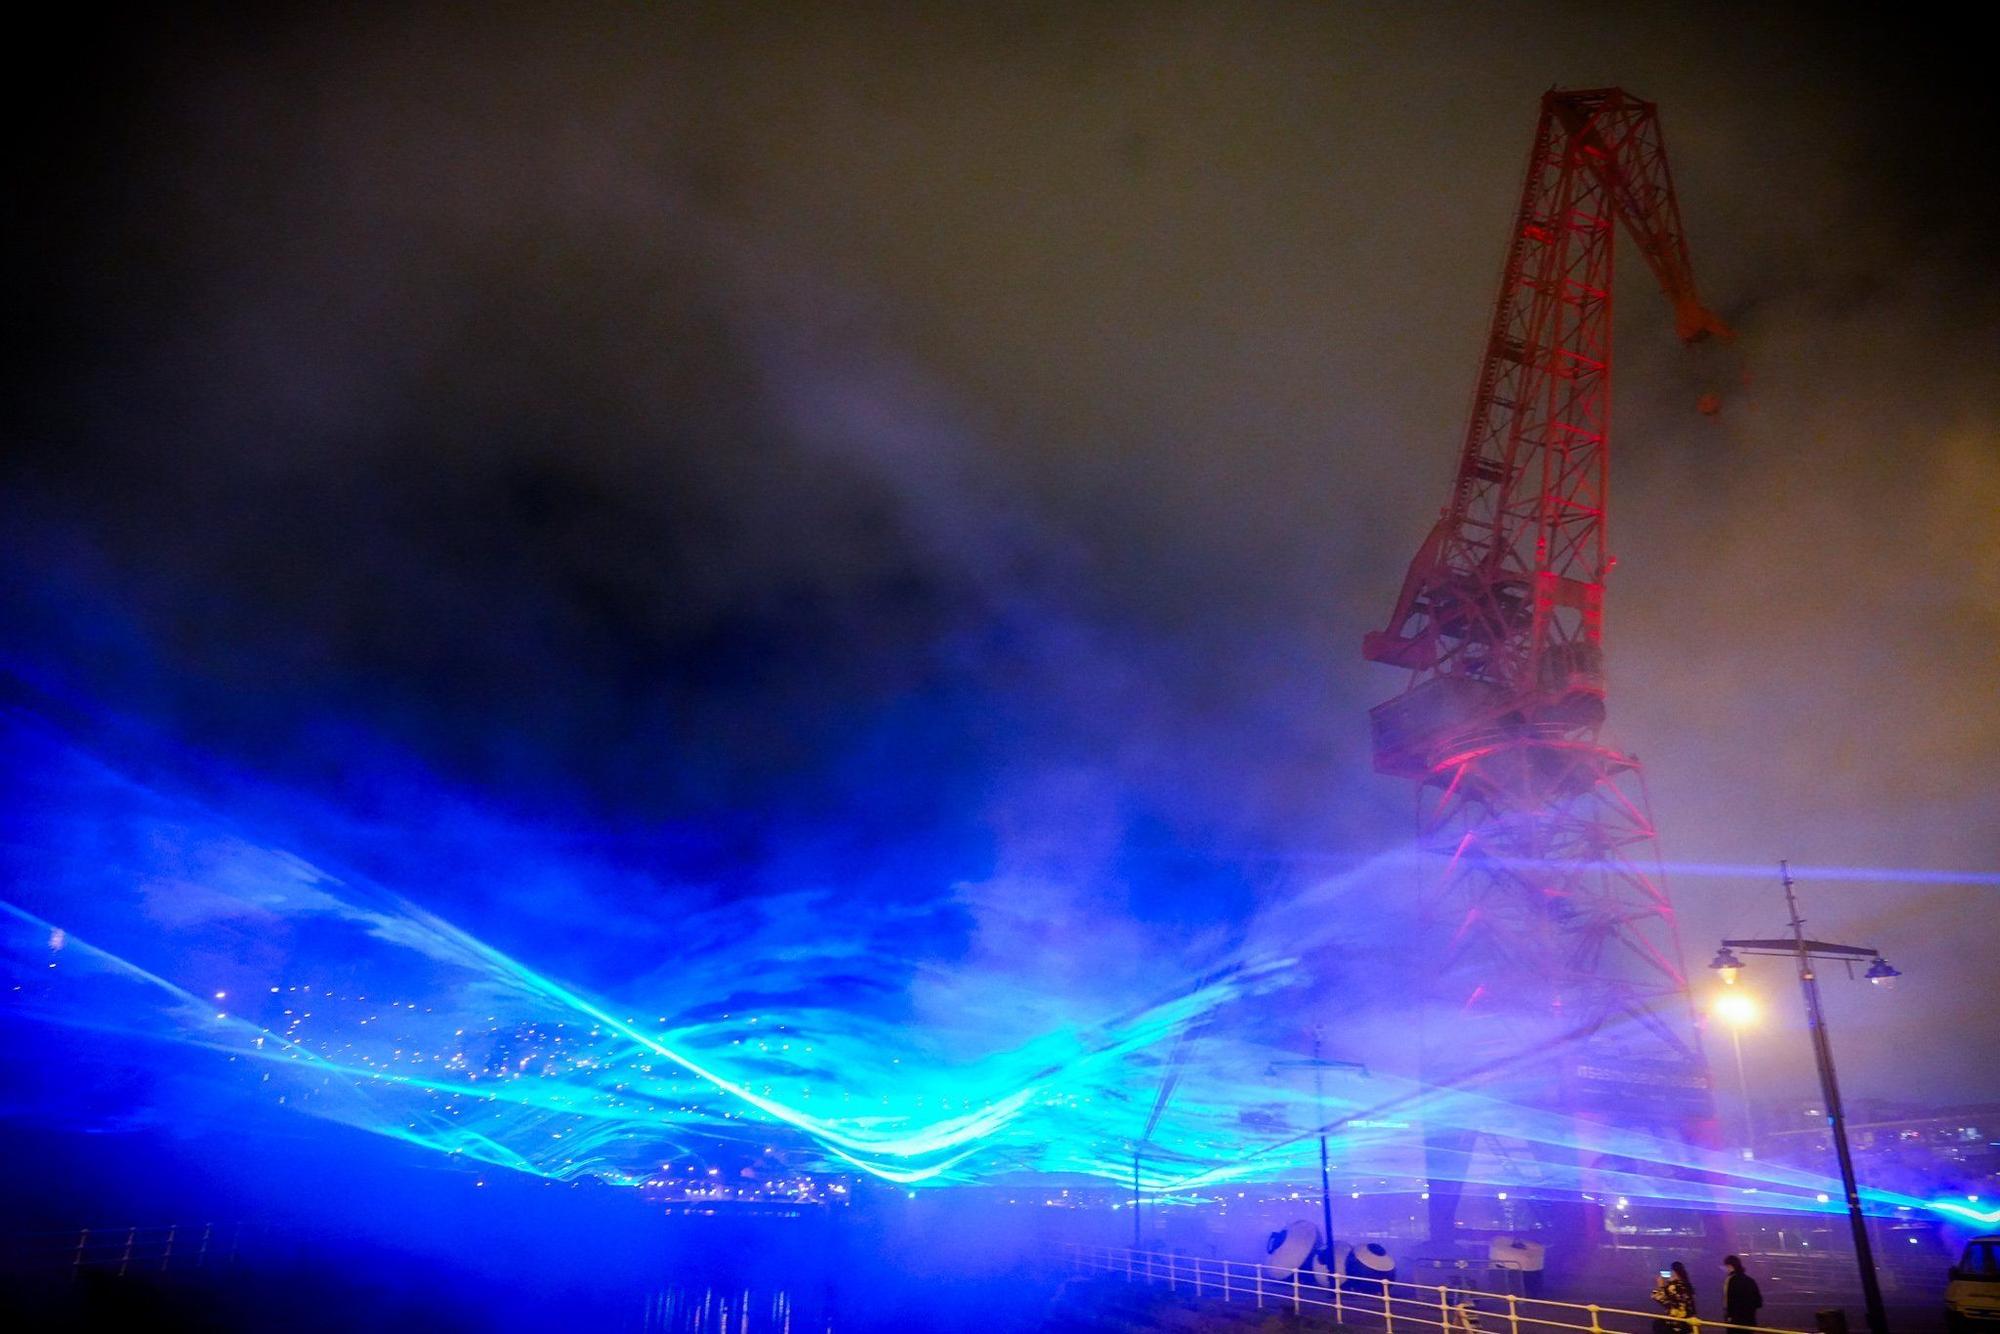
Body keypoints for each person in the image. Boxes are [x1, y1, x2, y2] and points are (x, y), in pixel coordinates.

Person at [1650, 1259, 1697, 1334]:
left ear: (1674, 1272)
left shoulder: (1673, 1286)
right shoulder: (1686, 1286)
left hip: (1676, 1323)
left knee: (1658, 1324)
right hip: (1688, 1323)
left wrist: (1660, 1286)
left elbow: (1659, 1298)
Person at [1722, 1255, 1764, 1329]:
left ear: (1730, 1266)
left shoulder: (1730, 1280)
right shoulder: (1750, 1280)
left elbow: (1729, 1301)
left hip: (1735, 1321)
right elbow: (1758, 1302)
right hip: (1749, 1320)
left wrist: (1729, 1316)